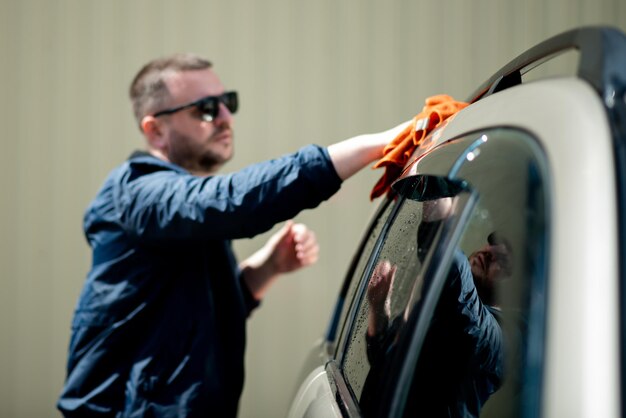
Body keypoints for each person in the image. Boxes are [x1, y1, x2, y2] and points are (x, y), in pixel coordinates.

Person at [57, 53, 407, 417]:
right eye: (206, 108)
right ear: (155, 130)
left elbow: (189, 316)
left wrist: (268, 268)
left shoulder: (176, 210)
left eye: (228, 102)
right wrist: (378, 145)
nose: (226, 117)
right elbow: (231, 201)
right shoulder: (138, 193)